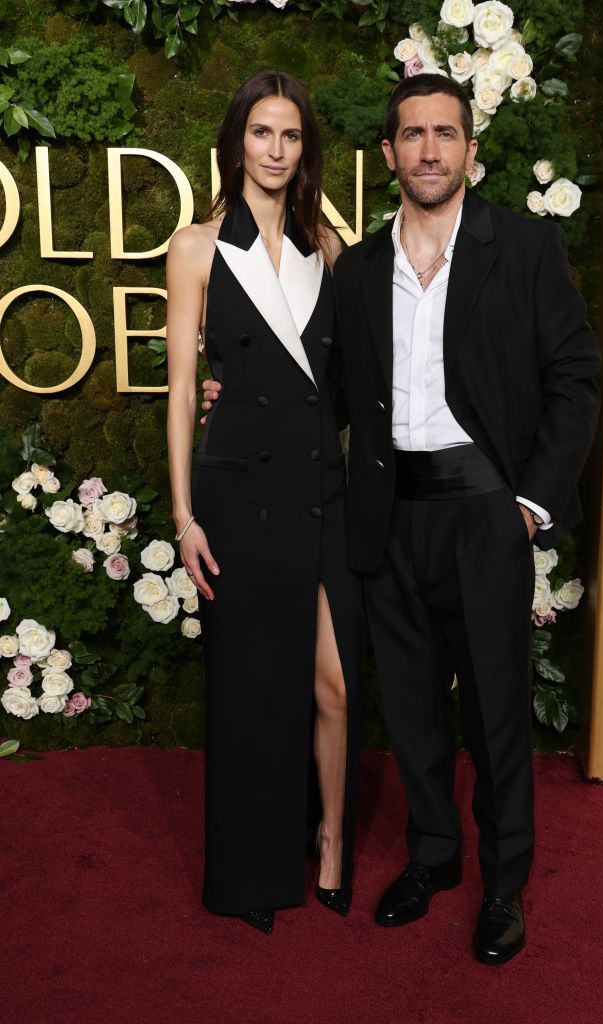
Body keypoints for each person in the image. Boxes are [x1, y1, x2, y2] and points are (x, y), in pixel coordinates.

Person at [202, 73, 601, 963]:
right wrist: (239, 395)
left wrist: (529, 506)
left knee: (496, 712)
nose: (429, 150)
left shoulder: (523, 247)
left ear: (469, 150)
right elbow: (330, 391)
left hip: (487, 514)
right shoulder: (359, 266)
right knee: (412, 710)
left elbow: (575, 377)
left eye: (445, 134)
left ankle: (504, 884)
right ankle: (433, 856)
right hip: (387, 517)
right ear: (388, 154)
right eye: (412, 135)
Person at [166, 70, 365, 936]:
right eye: (260, 133)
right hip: (237, 493)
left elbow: (346, 384)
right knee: (249, 688)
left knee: (333, 684)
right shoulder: (197, 247)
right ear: (236, 143)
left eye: (289, 135)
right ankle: (252, 867)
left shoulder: (330, 250)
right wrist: (184, 516)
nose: (275, 150)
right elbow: (182, 388)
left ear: (304, 148)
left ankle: (330, 838)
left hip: (321, 491)